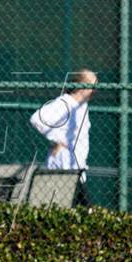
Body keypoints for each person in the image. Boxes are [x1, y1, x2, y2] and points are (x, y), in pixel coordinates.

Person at [29, 69, 98, 207]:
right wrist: (58, 139)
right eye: (92, 85)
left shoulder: (82, 106)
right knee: (86, 211)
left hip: (76, 169)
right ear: (81, 86)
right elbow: (36, 119)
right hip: (64, 170)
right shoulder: (64, 103)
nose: (95, 89)